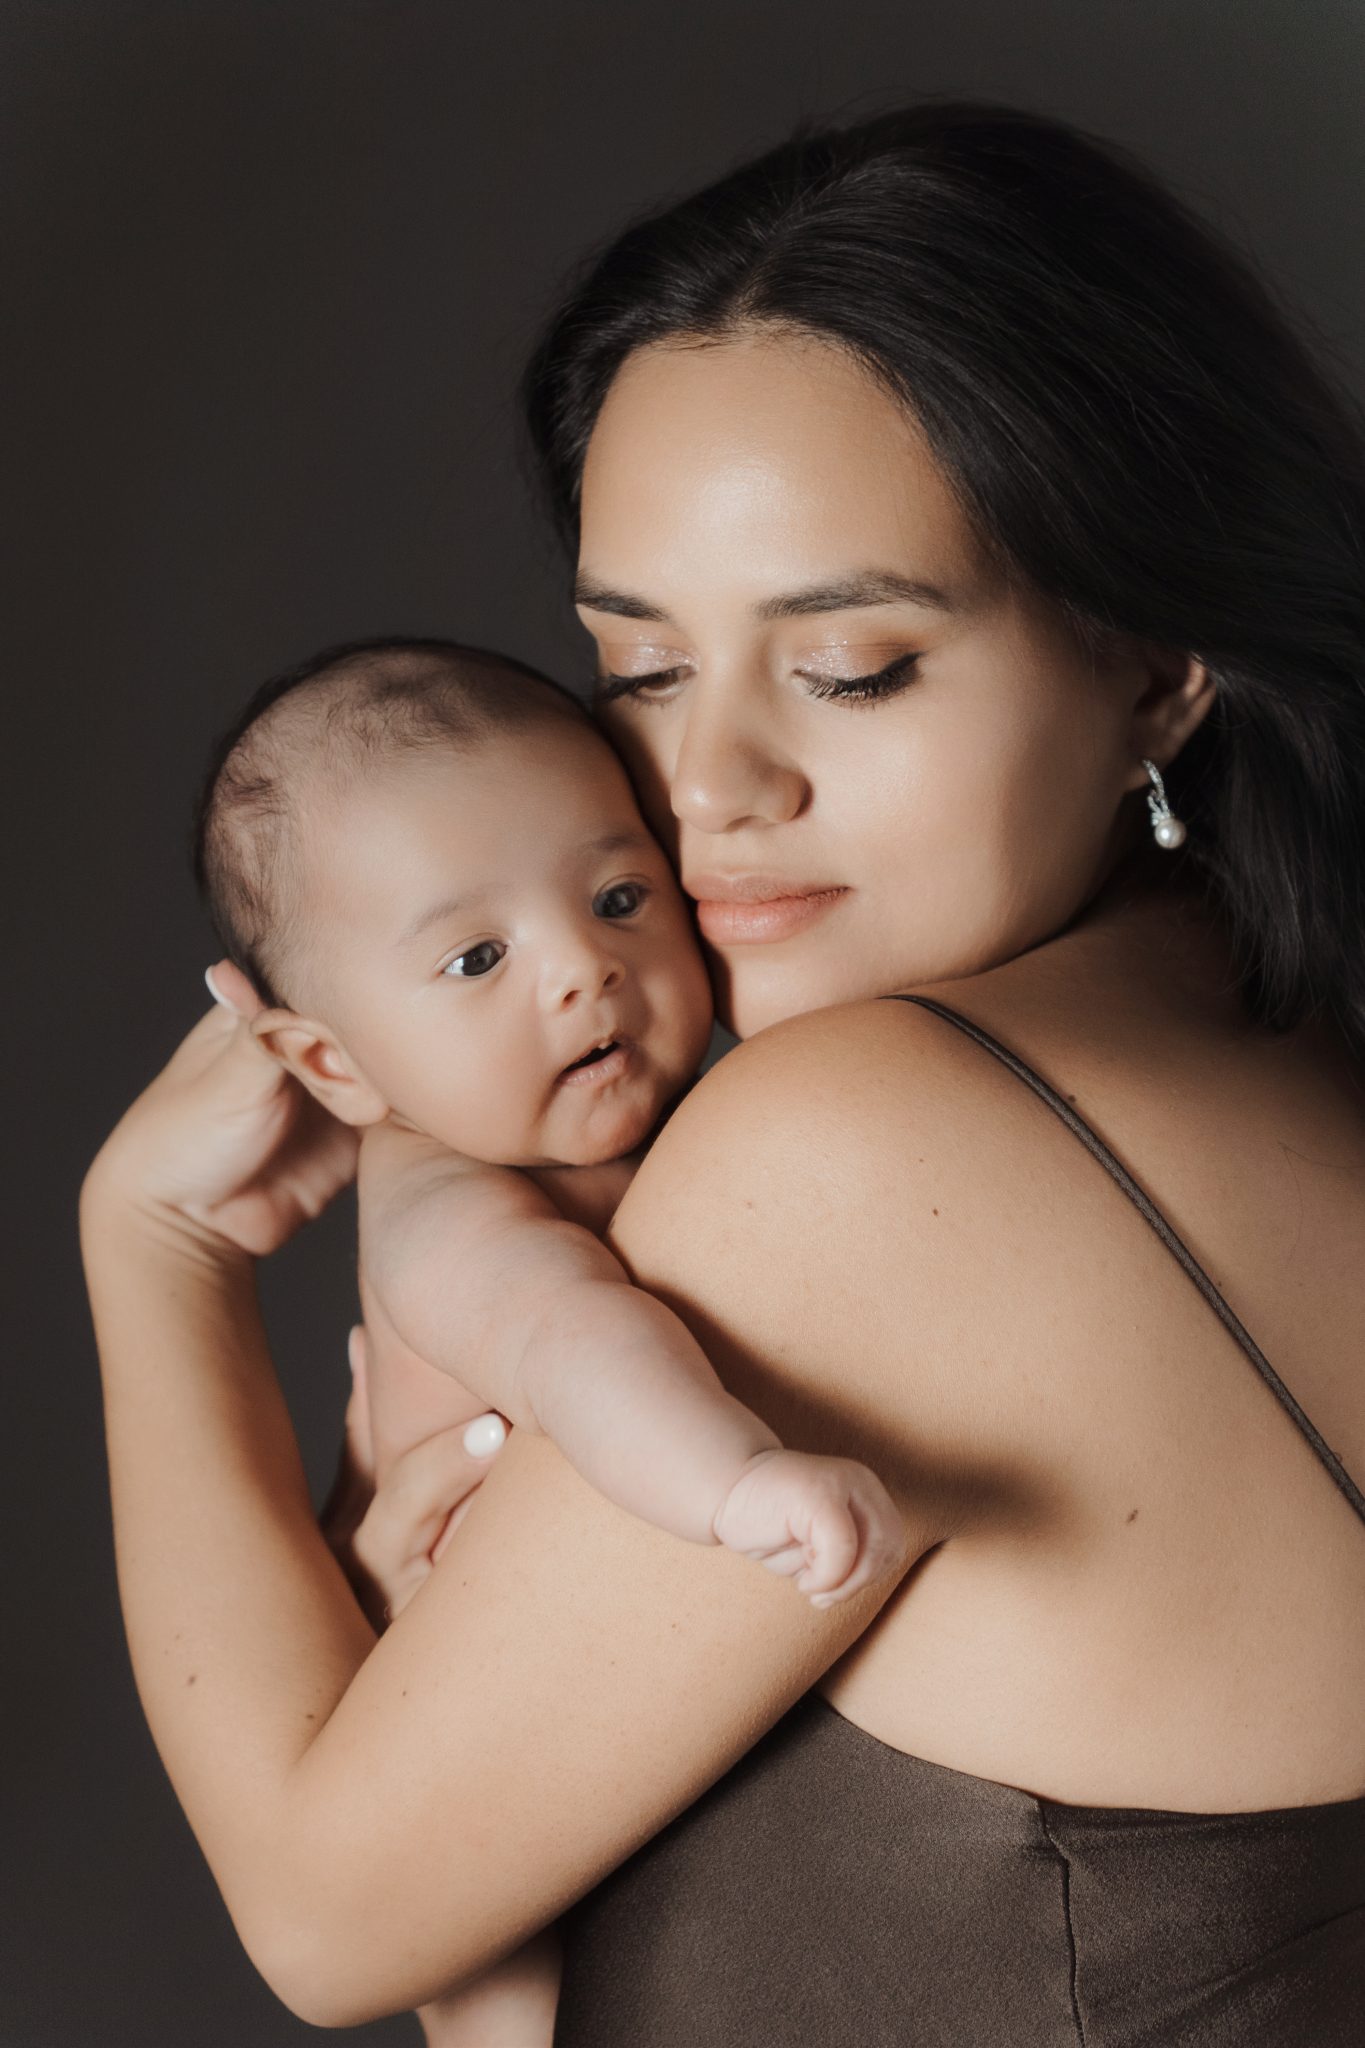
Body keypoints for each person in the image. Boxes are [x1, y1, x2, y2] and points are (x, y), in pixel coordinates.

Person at [80, 99, 1365, 2045]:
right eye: (645, 671)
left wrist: (152, 1244)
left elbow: (327, 1920)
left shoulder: (873, 1138)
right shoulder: (1260, 1034)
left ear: (1153, 667)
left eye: (848, 667)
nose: (707, 792)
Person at [192, 633, 902, 1613]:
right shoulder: (438, 1205)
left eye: (618, 897)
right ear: (330, 1062)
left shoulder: (712, 1108)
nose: (583, 964)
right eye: (478, 957)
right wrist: (738, 1487)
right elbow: (568, 1338)